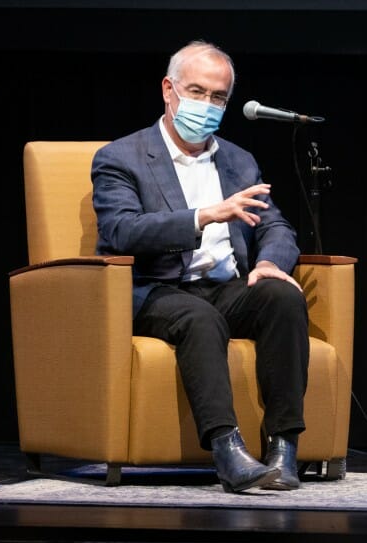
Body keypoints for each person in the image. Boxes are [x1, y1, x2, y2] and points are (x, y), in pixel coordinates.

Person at [92, 40, 309, 493]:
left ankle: (284, 448)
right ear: (169, 90)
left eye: (218, 98)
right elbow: (121, 232)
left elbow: (276, 226)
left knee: (283, 296)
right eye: (197, 92)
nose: (207, 106)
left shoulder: (238, 160)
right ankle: (227, 451)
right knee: (198, 317)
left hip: (223, 286)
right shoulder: (120, 157)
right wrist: (205, 215)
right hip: (155, 289)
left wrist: (269, 261)